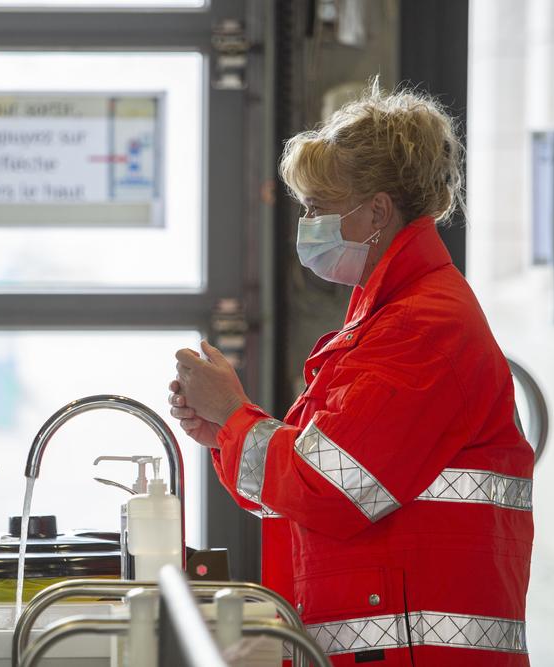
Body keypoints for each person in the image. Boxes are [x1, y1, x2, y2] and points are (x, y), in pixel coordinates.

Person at [170, 84, 533, 666]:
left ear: (378, 211)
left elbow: (332, 488)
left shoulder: (421, 326)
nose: (307, 224)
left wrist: (236, 415)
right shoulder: (387, 318)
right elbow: (323, 475)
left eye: (318, 207)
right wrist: (224, 429)